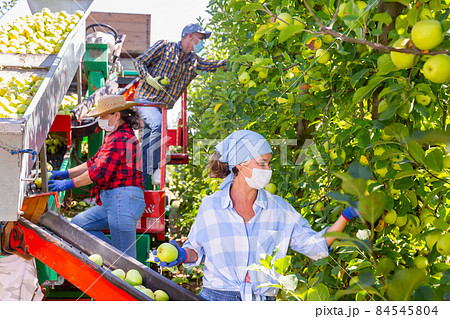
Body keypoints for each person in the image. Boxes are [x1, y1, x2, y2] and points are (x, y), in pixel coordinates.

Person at [151, 130, 359, 301]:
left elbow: (316, 247)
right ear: (240, 165)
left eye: (269, 163)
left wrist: (347, 215)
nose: (268, 169)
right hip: (216, 300)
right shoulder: (211, 206)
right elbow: (196, 250)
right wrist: (181, 255)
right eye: (262, 163)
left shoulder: (279, 209)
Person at [48, 95, 146, 259]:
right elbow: (92, 163)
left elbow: (98, 173)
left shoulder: (121, 138)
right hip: (114, 202)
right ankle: (114, 259)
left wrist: (67, 184)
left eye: (103, 116)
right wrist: (64, 174)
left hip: (123, 200)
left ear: (116, 115)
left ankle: (120, 264)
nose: (100, 120)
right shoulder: (114, 136)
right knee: (79, 225)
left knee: (127, 261)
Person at [133, 23, 227, 186]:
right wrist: (149, 79)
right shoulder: (165, 47)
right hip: (145, 100)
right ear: (190, 36)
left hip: (160, 107)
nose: (203, 42)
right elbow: (140, 61)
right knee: (157, 127)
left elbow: (215, 65)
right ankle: (155, 170)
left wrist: (241, 62)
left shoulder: (194, 62)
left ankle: (140, 180)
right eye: (201, 38)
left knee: (152, 139)